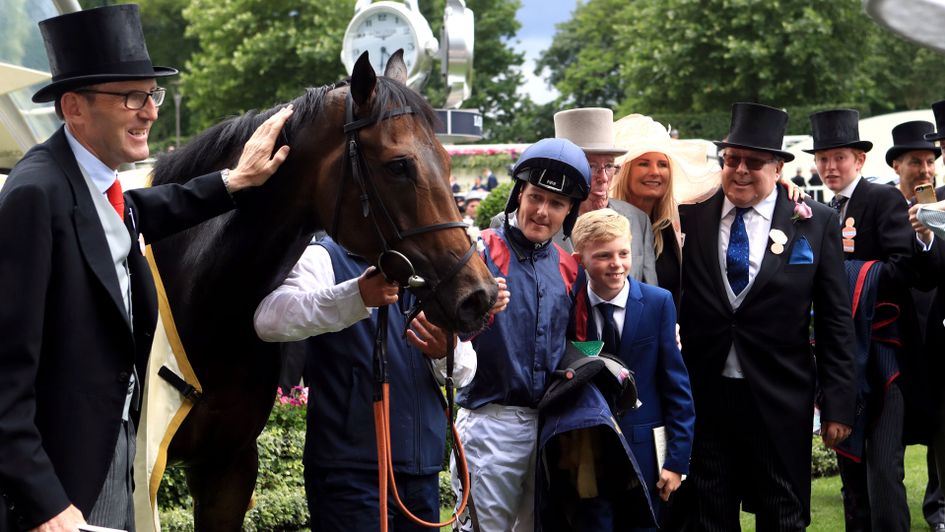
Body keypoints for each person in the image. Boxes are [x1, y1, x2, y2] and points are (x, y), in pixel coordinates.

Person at [0, 5, 292, 531]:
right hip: (59, 485)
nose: (150, 112)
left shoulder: (98, 188)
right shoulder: (34, 194)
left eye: (152, 94)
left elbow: (144, 209)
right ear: (74, 107)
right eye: (131, 97)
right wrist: (44, 503)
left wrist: (233, 180)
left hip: (112, 457)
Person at [678, 102, 855, 530]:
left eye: (754, 162)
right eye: (732, 159)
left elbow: (834, 318)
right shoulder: (690, 215)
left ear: (778, 168)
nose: (740, 170)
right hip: (706, 394)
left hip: (779, 396)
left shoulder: (814, 223)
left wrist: (839, 403)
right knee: (708, 514)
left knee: (783, 513)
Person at [253, 237, 507, 531]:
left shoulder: (429, 270)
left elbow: (464, 373)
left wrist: (446, 351)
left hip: (421, 474)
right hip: (350, 475)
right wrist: (357, 296)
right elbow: (269, 319)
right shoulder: (324, 256)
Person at [451, 137, 590, 532]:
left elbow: (580, 345)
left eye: (556, 203)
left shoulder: (570, 268)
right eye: (535, 197)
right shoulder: (479, 251)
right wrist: (478, 310)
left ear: (569, 211)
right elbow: (443, 333)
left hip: (550, 426)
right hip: (489, 421)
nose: (542, 211)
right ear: (518, 195)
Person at [809, 108, 934, 532]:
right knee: (851, 469)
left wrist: (847, 275)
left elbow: (905, 269)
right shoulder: (820, 209)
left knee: (882, 469)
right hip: (840, 356)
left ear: (859, 160)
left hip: (883, 355)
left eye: (839, 158)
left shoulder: (881, 199)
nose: (830, 167)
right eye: (823, 159)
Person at [568, 208, 695, 529]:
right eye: (603, 255)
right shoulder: (567, 306)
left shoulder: (657, 302)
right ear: (580, 260)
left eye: (623, 253)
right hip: (588, 452)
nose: (616, 263)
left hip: (645, 453)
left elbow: (676, 386)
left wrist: (677, 461)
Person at [491, 108, 657, 283]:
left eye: (609, 166)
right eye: (591, 166)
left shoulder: (638, 220)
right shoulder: (514, 223)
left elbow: (650, 291)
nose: (603, 177)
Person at [886, 120, 945, 532]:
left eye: (929, 161)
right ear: (897, 165)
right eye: (915, 162)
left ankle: (938, 505)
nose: (924, 170)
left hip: (937, 325)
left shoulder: (941, 203)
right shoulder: (883, 203)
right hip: (898, 327)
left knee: (942, 422)